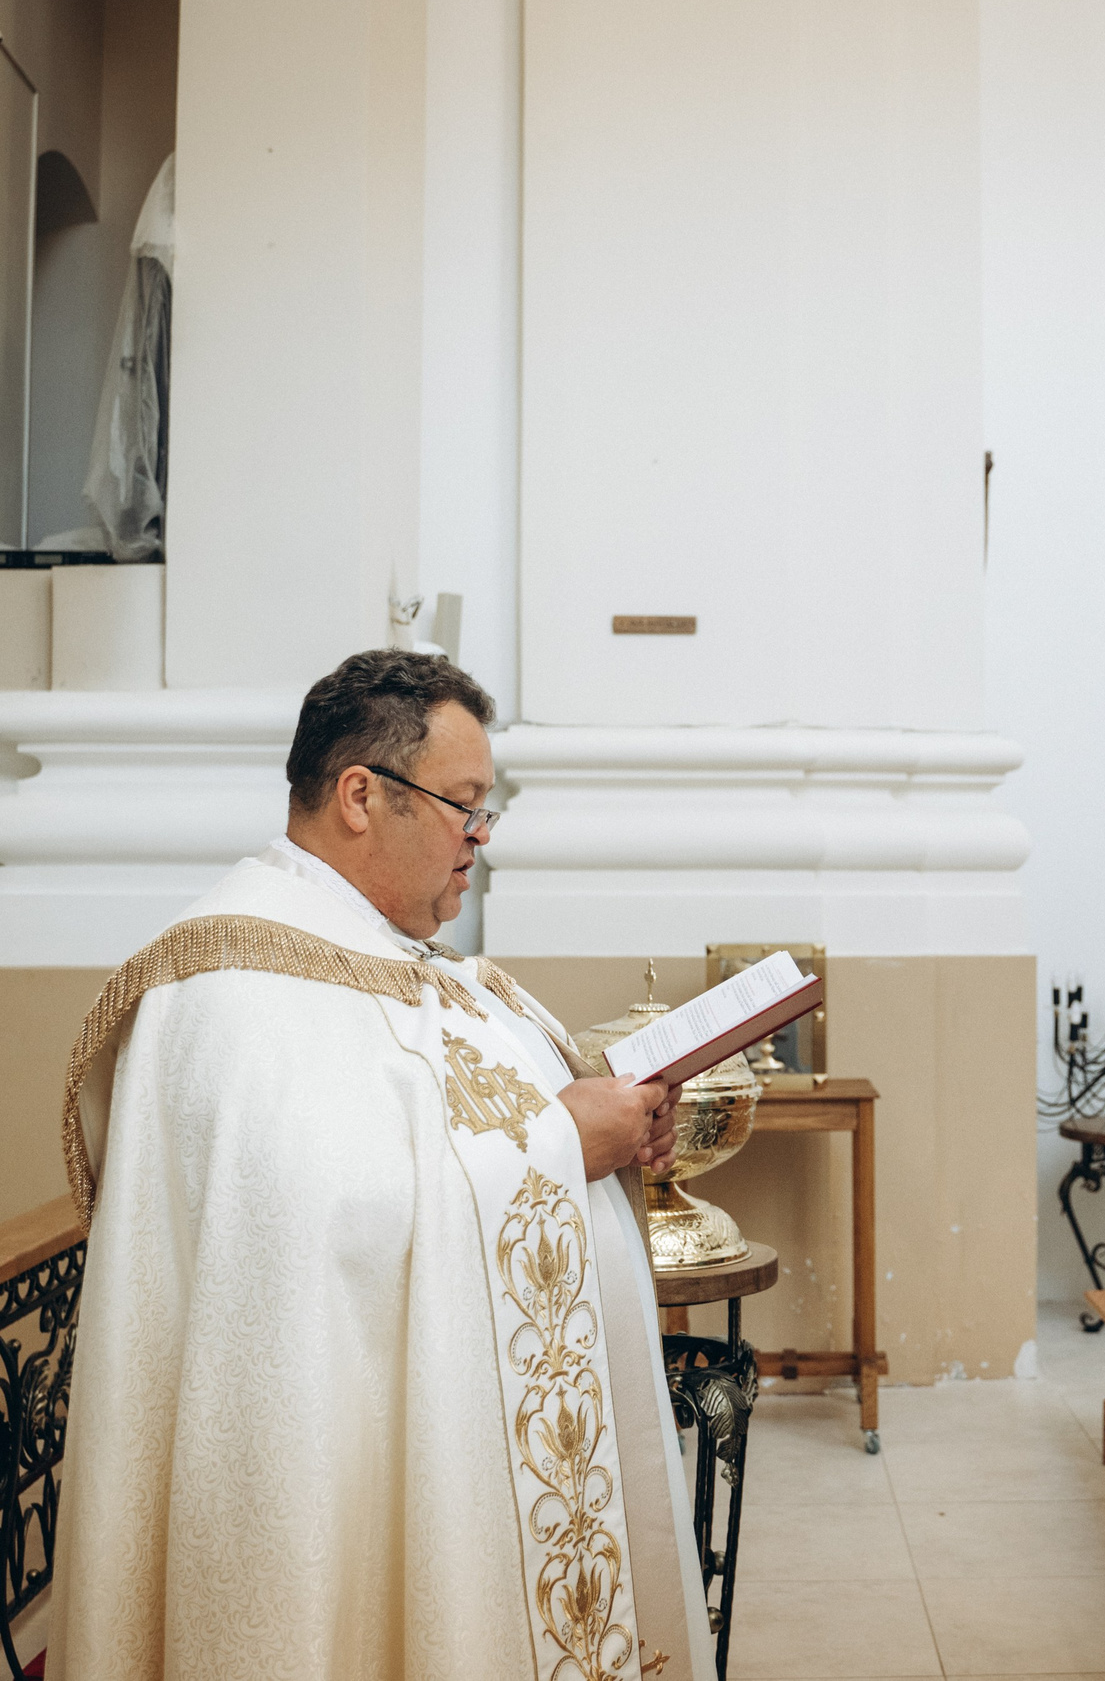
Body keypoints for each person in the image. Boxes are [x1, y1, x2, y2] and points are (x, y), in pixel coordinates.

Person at [48, 650, 712, 1680]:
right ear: (362, 794)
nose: (479, 841)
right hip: (317, 1484)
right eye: (464, 805)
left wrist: (606, 1133)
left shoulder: (385, 954)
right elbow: (307, 1237)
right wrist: (560, 1144)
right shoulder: (233, 988)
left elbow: (433, 1135)